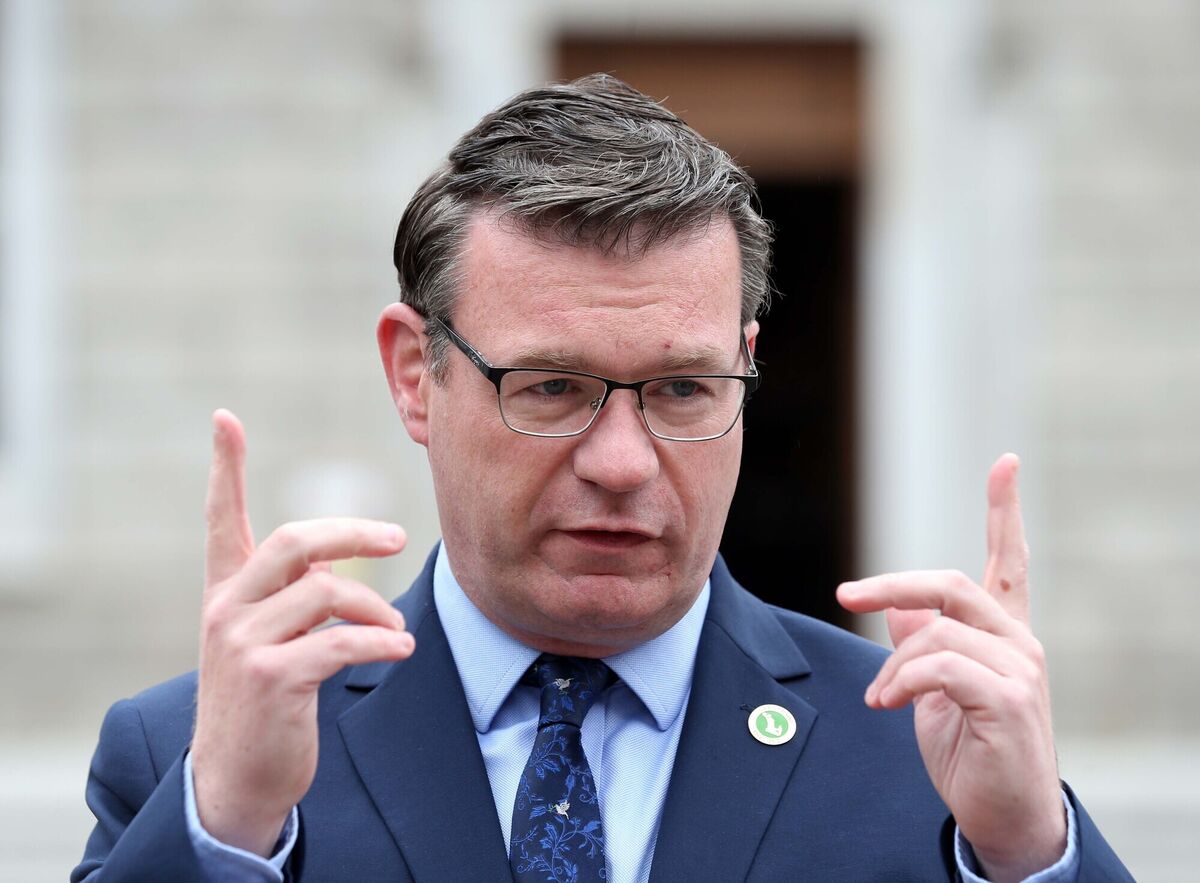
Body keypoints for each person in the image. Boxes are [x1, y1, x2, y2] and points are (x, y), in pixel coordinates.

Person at [74, 74, 1131, 882]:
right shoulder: (201, 759)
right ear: (414, 375)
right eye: (550, 386)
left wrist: (1030, 853)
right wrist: (225, 830)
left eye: (682, 389)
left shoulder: (922, 752)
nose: (622, 463)